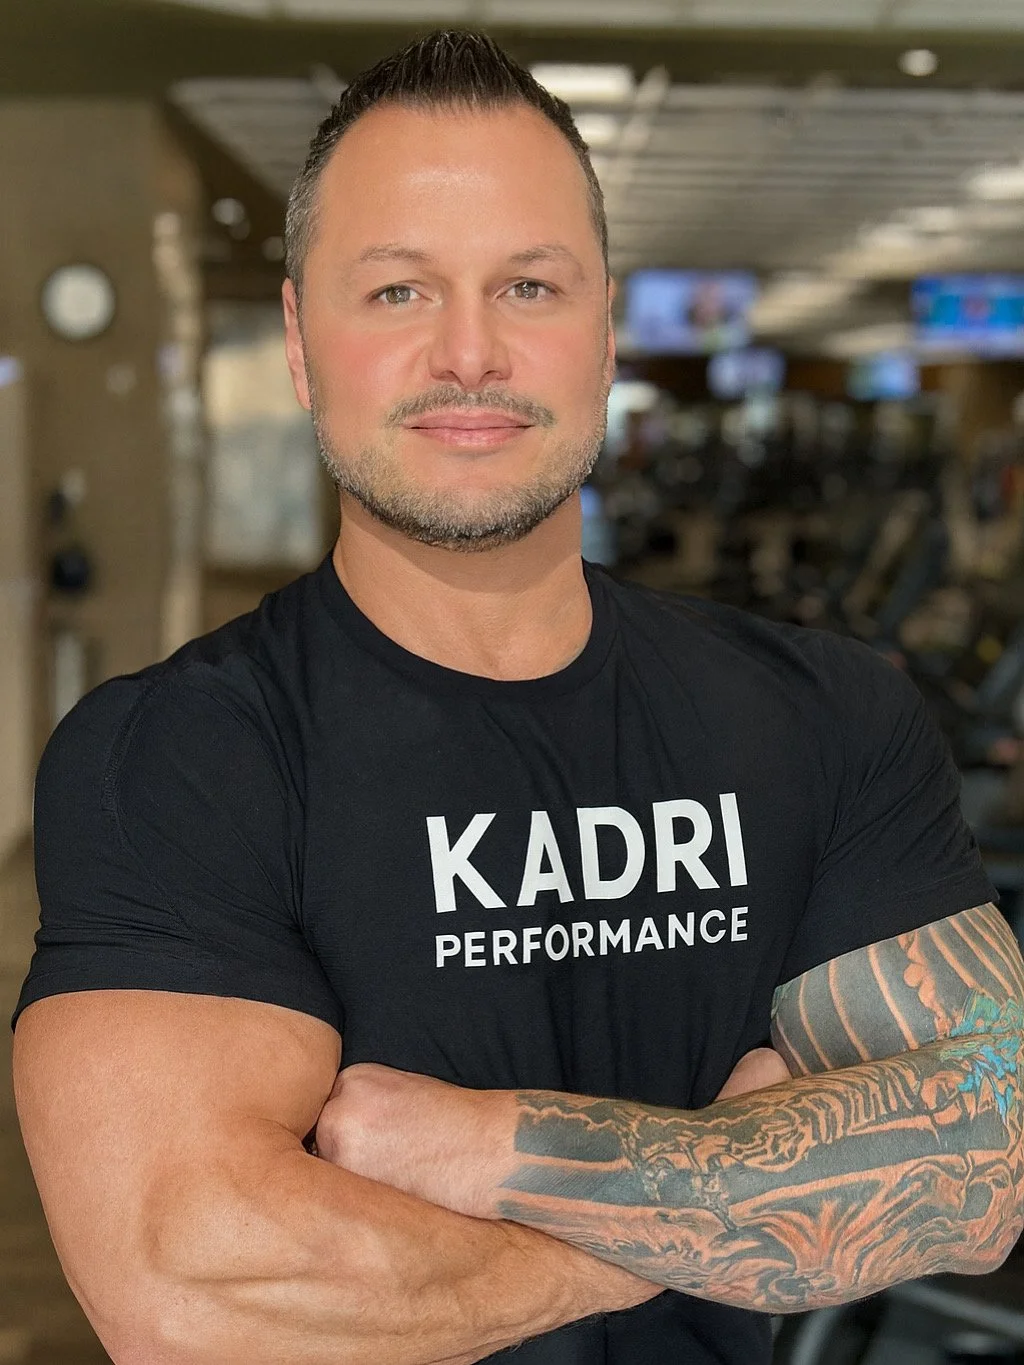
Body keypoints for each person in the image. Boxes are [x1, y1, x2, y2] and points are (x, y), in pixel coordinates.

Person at [11, 29, 1024, 1365]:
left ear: (605, 334)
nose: (470, 352)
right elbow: (197, 1293)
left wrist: (489, 1151)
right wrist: (725, 1196)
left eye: (530, 286)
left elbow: (990, 1156)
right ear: (303, 346)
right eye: (398, 291)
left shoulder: (828, 716)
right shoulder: (176, 757)